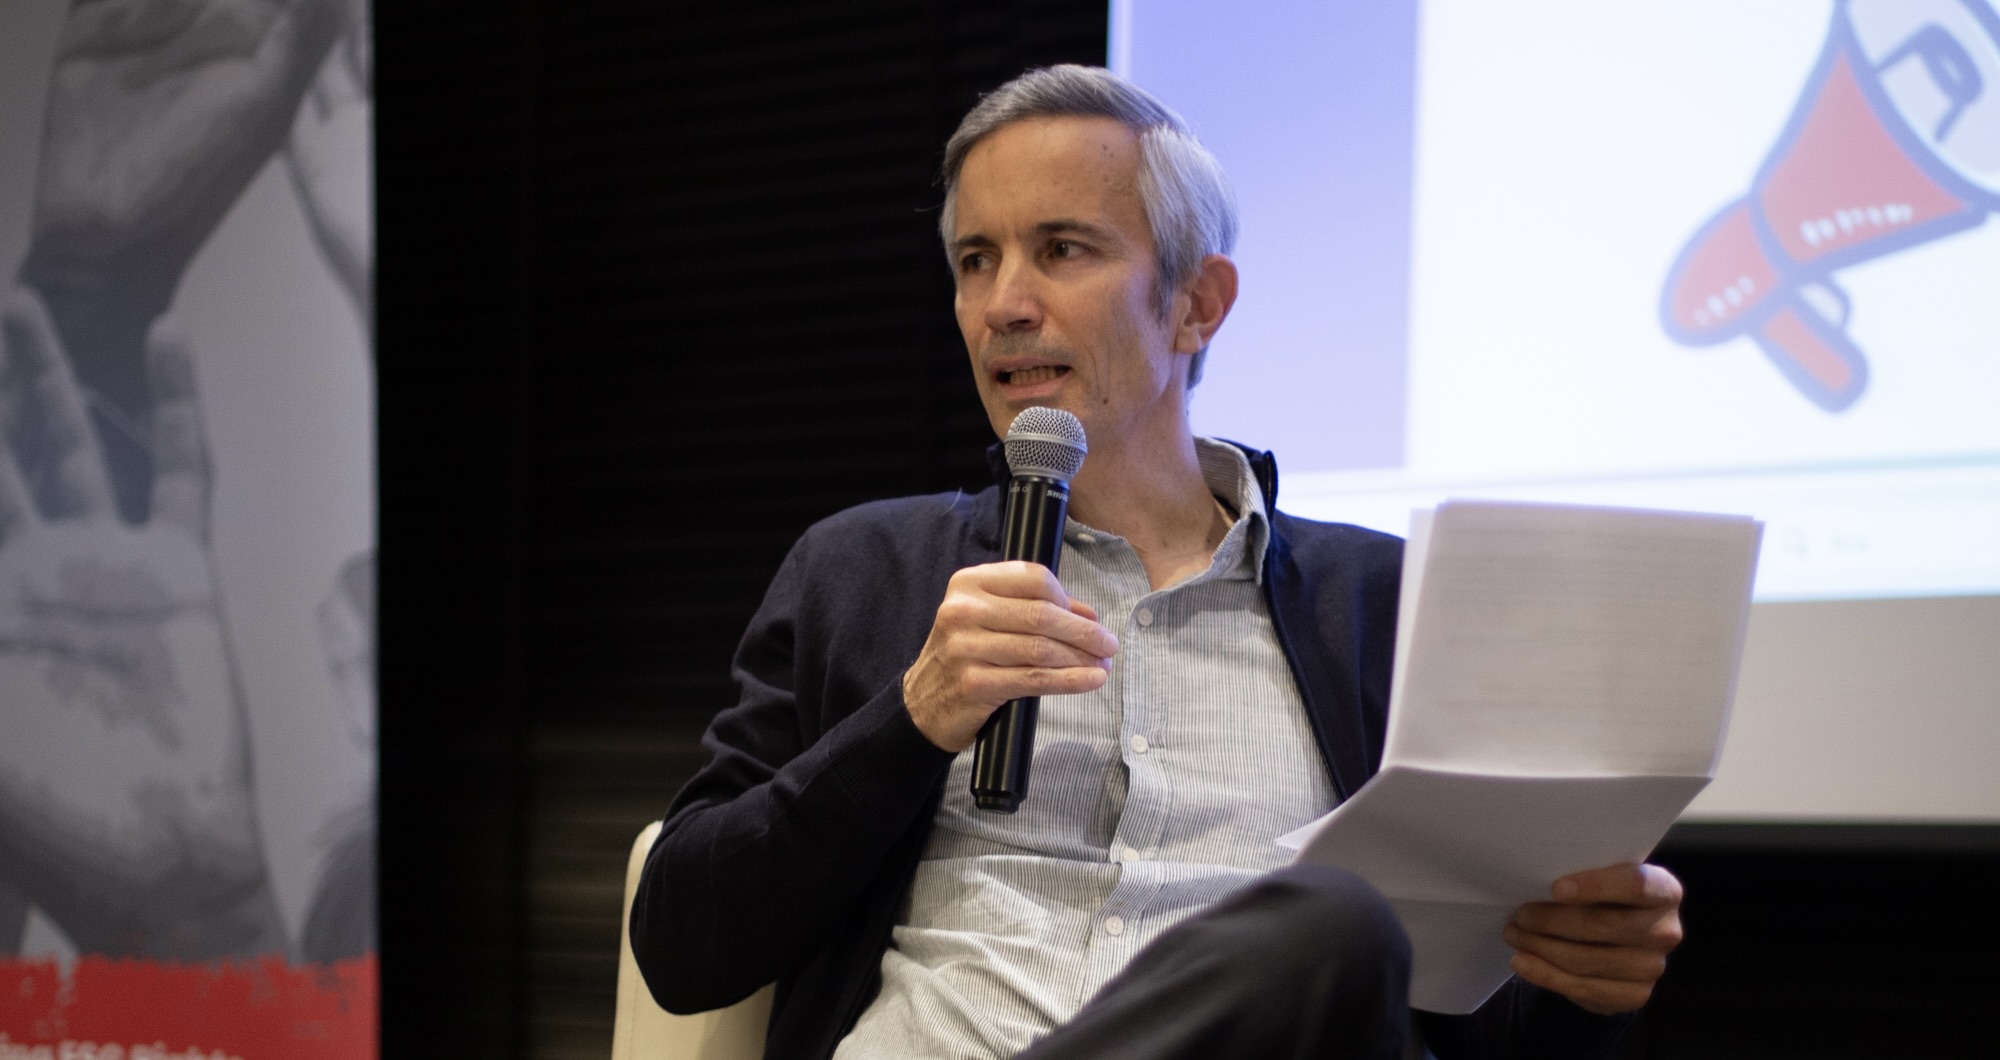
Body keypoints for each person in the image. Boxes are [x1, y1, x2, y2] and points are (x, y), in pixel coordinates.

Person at [630, 65, 1683, 1060]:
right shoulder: (862, 569)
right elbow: (681, 944)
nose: (1003, 304)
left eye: (1061, 249)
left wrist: (1583, 982)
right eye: (975, 260)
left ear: (1197, 304)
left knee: (1328, 931)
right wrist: (911, 719)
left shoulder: (1387, 607)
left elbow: (1465, 1022)